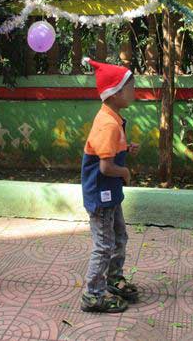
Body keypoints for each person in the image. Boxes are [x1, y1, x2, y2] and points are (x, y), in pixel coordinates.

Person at [80, 57, 140, 313]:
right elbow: (106, 167)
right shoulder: (108, 123)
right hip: (102, 192)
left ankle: (114, 279)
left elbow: (109, 150)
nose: (134, 92)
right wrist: (125, 171)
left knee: (119, 237)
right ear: (115, 93)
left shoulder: (113, 118)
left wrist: (126, 148)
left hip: (110, 192)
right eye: (131, 87)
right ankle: (92, 294)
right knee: (104, 245)